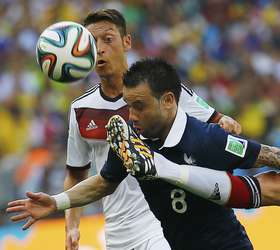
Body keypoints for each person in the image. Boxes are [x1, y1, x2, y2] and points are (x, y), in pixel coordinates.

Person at [7, 59, 280, 249]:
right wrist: (57, 202)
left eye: (139, 106)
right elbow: (103, 183)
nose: (131, 115)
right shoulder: (130, 140)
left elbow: (267, 157)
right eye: (128, 106)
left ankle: (164, 169)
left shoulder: (206, 139)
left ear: (169, 101)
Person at [61, 8, 242, 250]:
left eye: (108, 39)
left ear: (127, 42)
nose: (100, 48)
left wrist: (226, 123)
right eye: (93, 43)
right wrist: (71, 224)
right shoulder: (80, 109)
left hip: (161, 223)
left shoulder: (160, 90)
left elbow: (218, 121)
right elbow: (76, 174)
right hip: (116, 234)